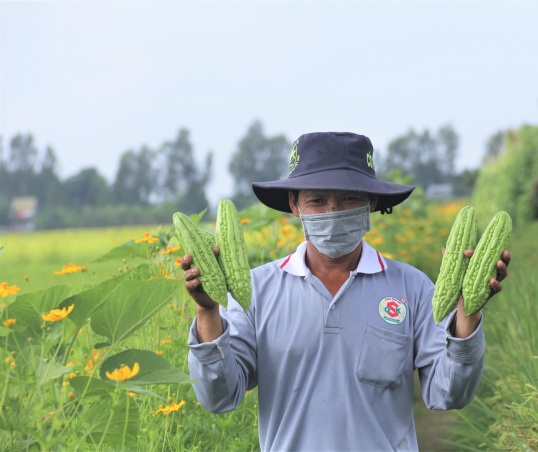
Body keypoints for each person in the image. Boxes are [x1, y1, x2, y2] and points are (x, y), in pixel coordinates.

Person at [182, 132, 510, 451]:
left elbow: (449, 393)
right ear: (295, 205)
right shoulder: (255, 291)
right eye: (317, 200)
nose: (333, 211)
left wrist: (468, 309)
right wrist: (208, 310)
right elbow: (220, 397)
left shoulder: (412, 287)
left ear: (372, 203)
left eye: (349, 198)